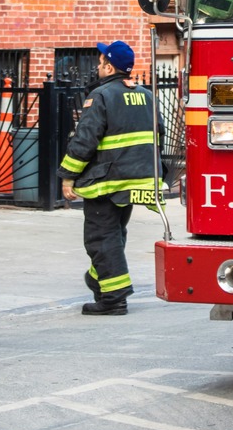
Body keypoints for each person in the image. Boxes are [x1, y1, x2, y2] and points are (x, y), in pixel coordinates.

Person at [57, 40, 160, 316]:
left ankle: (113, 298)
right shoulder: (147, 95)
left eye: (101, 62)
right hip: (136, 180)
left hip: (106, 181)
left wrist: (68, 177)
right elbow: (158, 134)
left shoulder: (101, 96)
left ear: (109, 66)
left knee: (100, 238)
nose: (97, 66)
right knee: (114, 235)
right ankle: (98, 279)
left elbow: (84, 141)